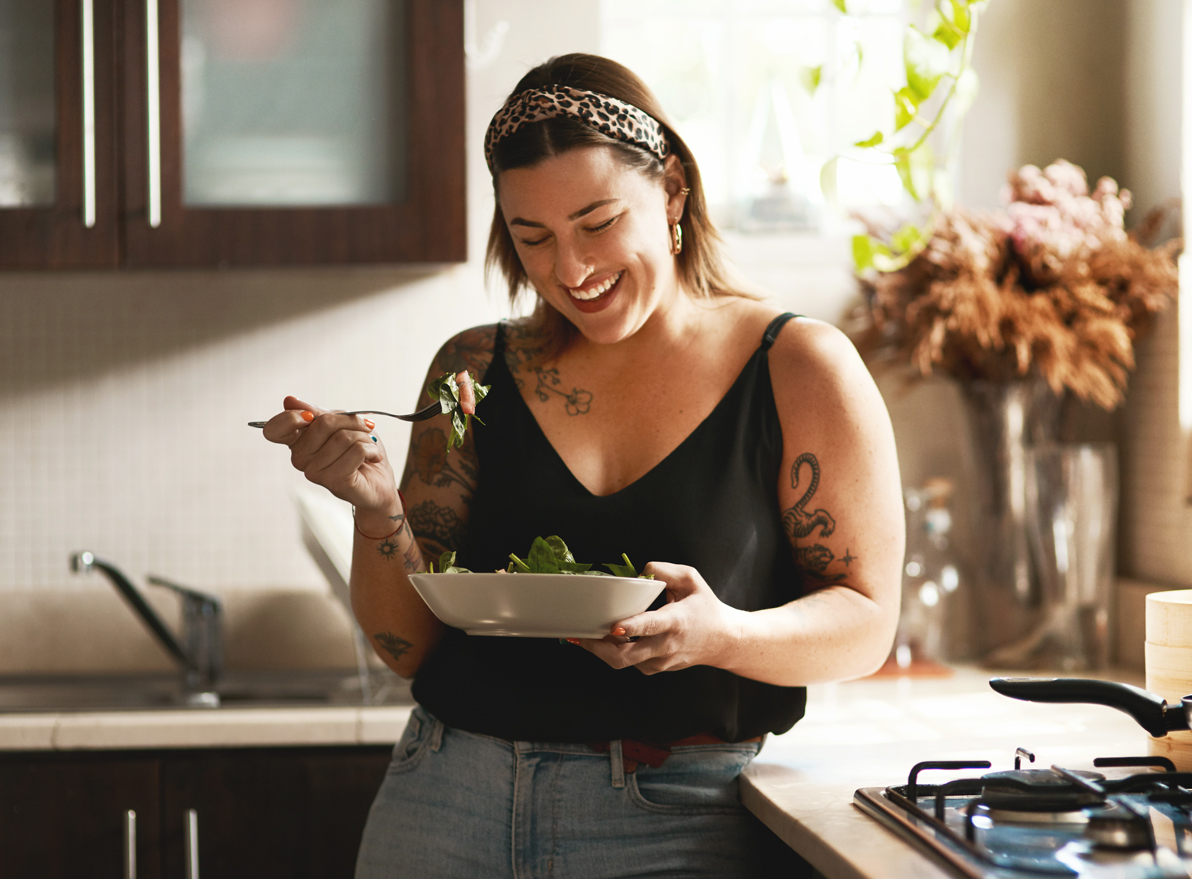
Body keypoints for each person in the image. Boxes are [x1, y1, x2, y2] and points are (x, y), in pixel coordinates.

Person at [263, 53, 904, 879]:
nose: (572, 271)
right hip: (443, 799)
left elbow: (865, 623)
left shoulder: (797, 366)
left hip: (679, 817)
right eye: (534, 239)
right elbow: (409, 648)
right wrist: (375, 508)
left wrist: (720, 636)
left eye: (598, 224)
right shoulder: (474, 369)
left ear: (671, 189)